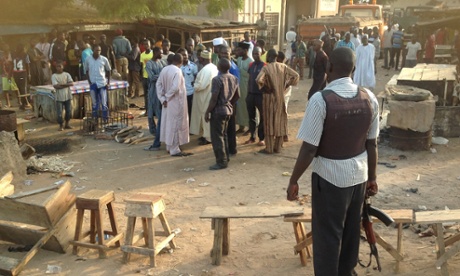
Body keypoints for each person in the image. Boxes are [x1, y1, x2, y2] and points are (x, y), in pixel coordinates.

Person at [286, 46, 379, 276]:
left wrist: (294, 180)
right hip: (359, 177)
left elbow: (309, 148)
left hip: (329, 178)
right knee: (350, 233)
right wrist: (372, 179)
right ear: (354, 69)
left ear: (328, 68)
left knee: (327, 236)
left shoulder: (321, 100)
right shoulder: (369, 98)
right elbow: (372, 144)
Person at [256, 49, 299, 154]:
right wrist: (286, 85)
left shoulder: (266, 68)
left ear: (268, 57)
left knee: (269, 122)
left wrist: (265, 88)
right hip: (281, 96)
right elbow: (296, 75)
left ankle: (269, 148)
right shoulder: (283, 67)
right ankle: (278, 148)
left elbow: (258, 80)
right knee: (279, 121)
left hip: (269, 98)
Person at [205, 58, 240, 170]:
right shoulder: (234, 78)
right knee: (224, 135)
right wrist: (229, 104)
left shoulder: (217, 79)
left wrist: (207, 111)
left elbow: (214, 99)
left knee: (217, 137)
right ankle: (225, 157)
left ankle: (221, 161)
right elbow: (237, 95)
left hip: (218, 111)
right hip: (228, 110)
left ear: (219, 67)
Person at [156, 53, 191, 157]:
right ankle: (174, 149)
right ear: (180, 62)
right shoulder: (178, 71)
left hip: (166, 103)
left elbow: (158, 84)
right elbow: (175, 87)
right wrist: (167, 97)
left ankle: (169, 146)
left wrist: (162, 99)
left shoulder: (164, 69)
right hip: (175, 102)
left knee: (168, 124)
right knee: (175, 125)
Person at [190, 50, 219, 145]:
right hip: (207, 95)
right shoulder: (213, 67)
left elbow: (200, 86)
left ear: (202, 58)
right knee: (204, 117)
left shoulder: (207, 70)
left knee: (206, 116)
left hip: (205, 96)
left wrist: (194, 84)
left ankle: (209, 138)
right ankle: (205, 135)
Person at [144, 47, 166, 151]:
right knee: (151, 110)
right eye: (160, 53)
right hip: (153, 91)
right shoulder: (149, 64)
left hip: (161, 91)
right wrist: (162, 76)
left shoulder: (162, 62)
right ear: (155, 52)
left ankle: (159, 132)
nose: (161, 54)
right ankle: (153, 131)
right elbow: (152, 77)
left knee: (160, 112)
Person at [219, 45, 240, 155]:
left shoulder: (233, 68)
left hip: (230, 102)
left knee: (230, 127)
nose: (224, 55)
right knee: (225, 128)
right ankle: (227, 148)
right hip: (223, 102)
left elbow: (237, 88)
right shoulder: (221, 66)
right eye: (222, 53)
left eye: (226, 53)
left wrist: (230, 103)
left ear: (230, 53)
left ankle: (232, 149)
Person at [245, 47, 265, 146]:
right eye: (254, 53)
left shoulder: (265, 66)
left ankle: (262, 138)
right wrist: (248, 93)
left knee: (263, 117)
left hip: (260, 95)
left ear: (261, 53)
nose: (255, 55)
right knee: (251, 117)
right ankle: (252, 137)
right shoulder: (251, 65)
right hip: (251, 95)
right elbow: (250, 80)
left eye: (257, 53)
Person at [85, 45, 111, 121]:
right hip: (93, 83)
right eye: (97, 50)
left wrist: (108, 82)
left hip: (102, 83)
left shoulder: (104, 59)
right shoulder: (88, 59)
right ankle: (95, 119)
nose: (98, 52)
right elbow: (86, 70)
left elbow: (109, 70)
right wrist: (89, 81)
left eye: (99, 50)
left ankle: (105, 119)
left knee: (103, 103)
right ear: (93, 50)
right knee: (94, 103)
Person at [236, 42, 253, 135]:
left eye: (240, 50)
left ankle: (250, 127)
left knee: (247, 107)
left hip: (247, 87)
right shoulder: (238, 59)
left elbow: (251, 75)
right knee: (240, 106)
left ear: (245, 51)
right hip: (239, 86)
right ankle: (241, 126)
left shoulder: (250, 61)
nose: (238, 52)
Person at [177, 48, 198, 123]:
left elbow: (196, 77)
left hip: (190, 93)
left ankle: (190, 127)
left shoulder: (193, 66)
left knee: (190, 111)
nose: (184, 57)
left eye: (185, 55)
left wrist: (194, 82)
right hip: (180, 93)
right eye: (182, 55)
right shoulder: (177, 67)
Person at [51, 62, 74, 131]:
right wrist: (66, 84)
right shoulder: (54, 76)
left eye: (60, 66)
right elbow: (55, 86)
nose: (59, 68)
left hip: (67, 95)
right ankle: (61, 125)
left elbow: (72, 83)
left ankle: (67, 124)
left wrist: (61, 85)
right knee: (59, 113)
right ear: (56, 68)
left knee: (68, 111)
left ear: (63, 67)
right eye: (58, 66)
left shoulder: (67, 74)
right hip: (59, 97)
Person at [12, 44, 31, 110]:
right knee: (20, 89)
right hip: (17, 73)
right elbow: (27, 65)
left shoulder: (24, 55)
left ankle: (25, 103)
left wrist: (28, 74)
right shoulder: (16, 55)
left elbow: (27, 65)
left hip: (22, 73)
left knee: (22, 89)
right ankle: (24, 103)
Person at [140, 39, 153, 113]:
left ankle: (153, 110)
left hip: (152, 77)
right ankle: (147, 110)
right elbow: (142, 66)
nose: (146, 46)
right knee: (146, 95)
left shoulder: (153, 53)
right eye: (144, 44)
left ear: (150, 44)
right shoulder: (142, 55)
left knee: (152, 94)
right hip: (145, 76)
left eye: (147, 44)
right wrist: (141, 76)